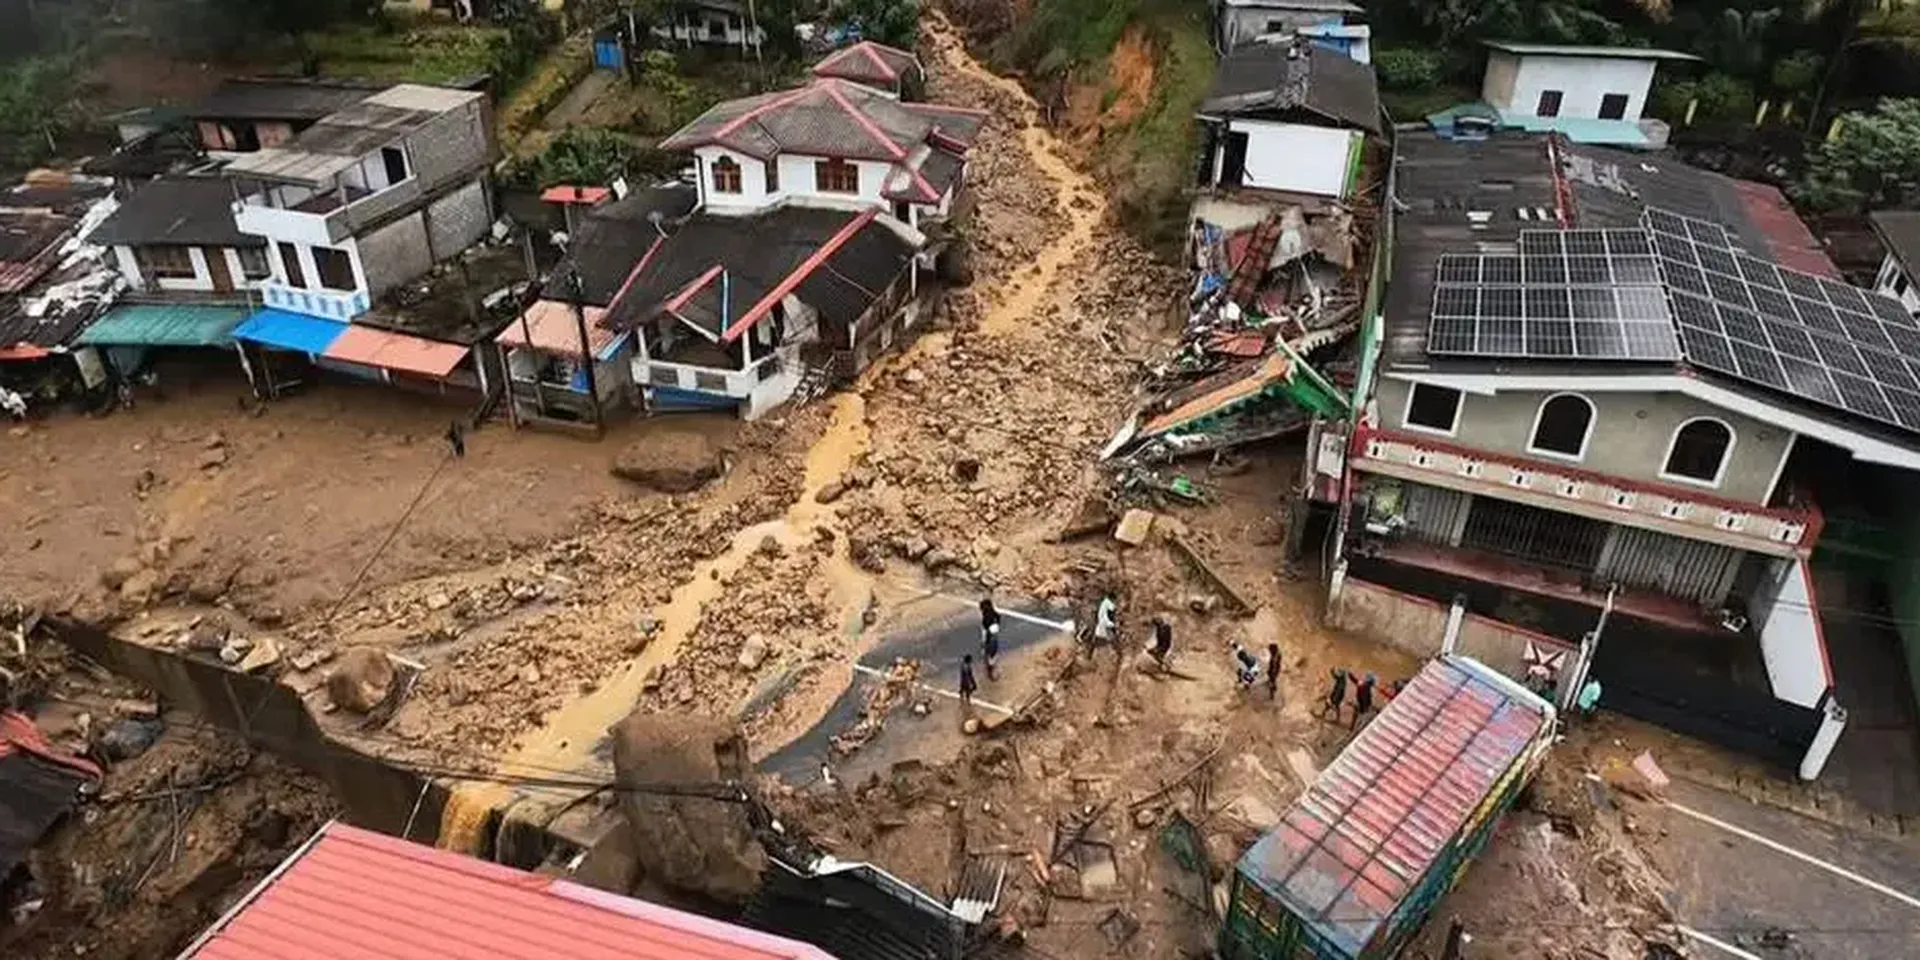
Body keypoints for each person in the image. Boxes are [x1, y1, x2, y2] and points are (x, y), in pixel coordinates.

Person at [979, 599, 1001, 681]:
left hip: (990, 638)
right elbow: (999, 616)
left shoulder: (986, 619)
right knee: (992, 655)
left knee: (989, 655)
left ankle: (991, 673)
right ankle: (991, 670)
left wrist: (984, 645)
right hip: (993, 636)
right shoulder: (994, 614)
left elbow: (985, 635)